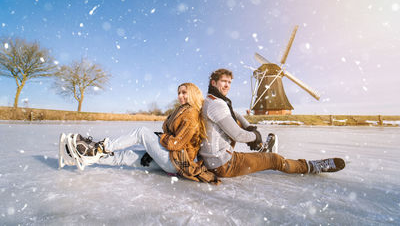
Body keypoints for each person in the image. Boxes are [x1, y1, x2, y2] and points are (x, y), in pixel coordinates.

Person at [59, 83, 220, 184]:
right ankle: (85, 158)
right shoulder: (181, 110)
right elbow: (169, 138)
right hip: (170, 160)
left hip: (176, 162)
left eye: (184, 92)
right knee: (126, 156)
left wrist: (157, 141)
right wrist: (153, 151)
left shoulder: (191, 114)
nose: (180, 96)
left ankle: (100, 147)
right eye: (179, 93)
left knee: (141, 132)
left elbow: (174, 143)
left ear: (192, 93)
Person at [199, 68, 345, 178]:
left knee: (238, 124)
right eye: (223, 81)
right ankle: (310, 166)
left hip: (214, 160)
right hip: (223, 164)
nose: (227, 85)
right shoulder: (217, 104)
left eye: (229, 82)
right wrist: (255, 136)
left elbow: (235, 114)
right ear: (213, 83)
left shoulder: (213, 101)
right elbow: (237, 135)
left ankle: (263, 152)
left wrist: (249, 126)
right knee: (274, 160)